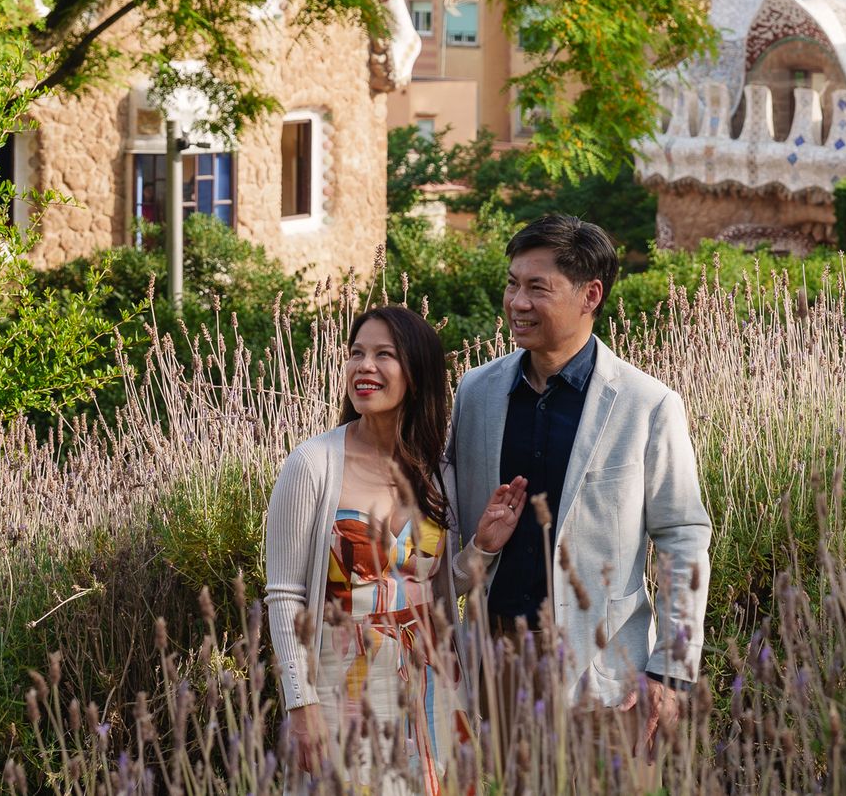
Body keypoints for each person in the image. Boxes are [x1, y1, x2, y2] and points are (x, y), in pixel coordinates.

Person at [445, 214, 711, 740]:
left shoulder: (647, 405)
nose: (517, 302)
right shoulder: (474, 394)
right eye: (512, 283)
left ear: (590, 295)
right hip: (492, 661)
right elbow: (449, 520)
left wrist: (672, 667)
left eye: (536, 288)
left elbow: (683, 538)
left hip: (606, 672)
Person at [265, 305, 526, 795]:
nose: (365, 366)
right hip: (344, 683)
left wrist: (483, 548)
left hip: (436, 680)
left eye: (384, 354)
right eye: (356, 353)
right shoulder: (312, 465)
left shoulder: (436, 470)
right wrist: (301, 706)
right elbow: (284, 596)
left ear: (417, 372)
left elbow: (438, 586)